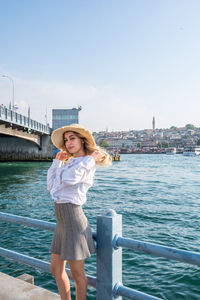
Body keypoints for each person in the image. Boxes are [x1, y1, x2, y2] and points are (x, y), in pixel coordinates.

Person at [47, 124, 111, 300]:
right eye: (66, 140)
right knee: (55, 269)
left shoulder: (86, 163)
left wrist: (91, 159)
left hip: (74, 220)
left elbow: (69, 179)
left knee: (77, 273)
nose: (68, 143)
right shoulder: (70, 162)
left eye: (72, 138)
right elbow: (51, 187)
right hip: (61, 222)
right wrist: (57, 161)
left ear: (82, 140)